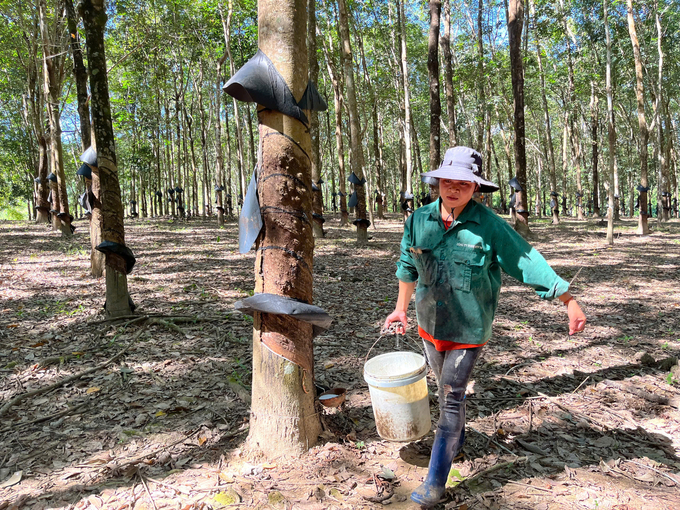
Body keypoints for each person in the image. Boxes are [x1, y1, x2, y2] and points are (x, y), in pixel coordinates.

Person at [383, 146, 586, 507]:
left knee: (451, 397)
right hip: (430, 325)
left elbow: (527, 262)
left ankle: (434, 481)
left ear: (475, 188)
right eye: (448, 181)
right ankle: (455, 440)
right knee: (446, 394)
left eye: (464, 183)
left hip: (468, 330)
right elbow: (407, 265)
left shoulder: (489, 227)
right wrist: (401, 309)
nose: (454, 188)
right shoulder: (419, 219)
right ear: (438, 182)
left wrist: (568, 300)